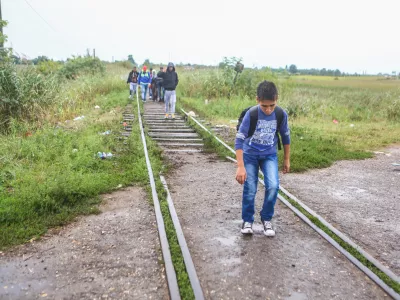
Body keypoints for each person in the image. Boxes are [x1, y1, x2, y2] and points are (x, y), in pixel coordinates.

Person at [235, 80, 291, 237]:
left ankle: (266, 219)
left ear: (277, 99)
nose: (268, 109)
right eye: (264, 106)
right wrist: (240, 166)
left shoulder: (281, 114)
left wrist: (286, 159)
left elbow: (286, 138)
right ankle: (247, 220)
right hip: (250, 155)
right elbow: (239, 140)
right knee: (250, 188)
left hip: (269, 155)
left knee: (273, 186)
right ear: (257, 99)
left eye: (272, 105)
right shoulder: (251, 114)